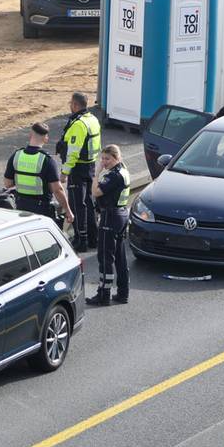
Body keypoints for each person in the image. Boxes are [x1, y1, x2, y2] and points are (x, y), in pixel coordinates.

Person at [86, 145, 131, 307]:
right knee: (119, 257)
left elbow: (96, 192)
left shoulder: (114, 176)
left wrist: (96, 174)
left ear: (116, 158)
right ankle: (123, 293)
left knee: (105, 258)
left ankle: (103, 295)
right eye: (102, 158)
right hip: (121, 215)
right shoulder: (123, 171)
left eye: (107, 159)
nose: (104, 162)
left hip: (110, 217)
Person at [4, 122, 74, 224]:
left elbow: (8, 184)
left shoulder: (16, 155)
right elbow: (57, 190)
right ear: (46, 138)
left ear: (30, 135)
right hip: (41, 210)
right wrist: (68, 211)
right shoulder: (46, 160)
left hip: (20, 207)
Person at [57, 92, 101, 252]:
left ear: (75, 105)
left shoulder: (78, 124)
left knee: (77, 205)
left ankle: (81, 239)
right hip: (90, 166)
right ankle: (92, 237)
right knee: (88, 203)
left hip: (78, 168)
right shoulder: (93, 119)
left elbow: (73, 152)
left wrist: (65, 172)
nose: (70, 105)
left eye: (71, 103)